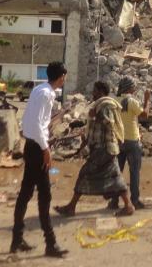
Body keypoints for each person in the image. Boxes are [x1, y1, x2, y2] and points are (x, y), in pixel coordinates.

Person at [11, 61, 67, 258]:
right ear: (61, 77)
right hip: (37, 148)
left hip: (31, 145)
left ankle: (17, 238)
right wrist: (46, 149)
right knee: (44, 195)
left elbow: (34, 122)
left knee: (26, 193)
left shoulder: (38, 90)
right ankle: (50, 243)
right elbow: (36, 124)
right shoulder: (47, 94)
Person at [56, 81, 134, 217]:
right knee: (115, 177)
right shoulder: (101, 105)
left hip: (104, 148)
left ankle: (71, 207)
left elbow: (110, 124)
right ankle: (128, 206)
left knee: (85, 174)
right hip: (105, 148)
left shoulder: (106, 105)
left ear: (101, 91)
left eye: (95, 90)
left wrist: (95, 115)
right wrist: (85, 142)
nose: (93, 93)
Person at [108, 77, 150, 210]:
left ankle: (114, 201)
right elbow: (144, 116)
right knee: (134, 172)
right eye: (134, 87)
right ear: (130, 88)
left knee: (117, 172)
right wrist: (147, 100)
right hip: (132, 140)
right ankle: (135, 200)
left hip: (118, 140)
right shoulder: (132, 101)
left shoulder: (114, 100)